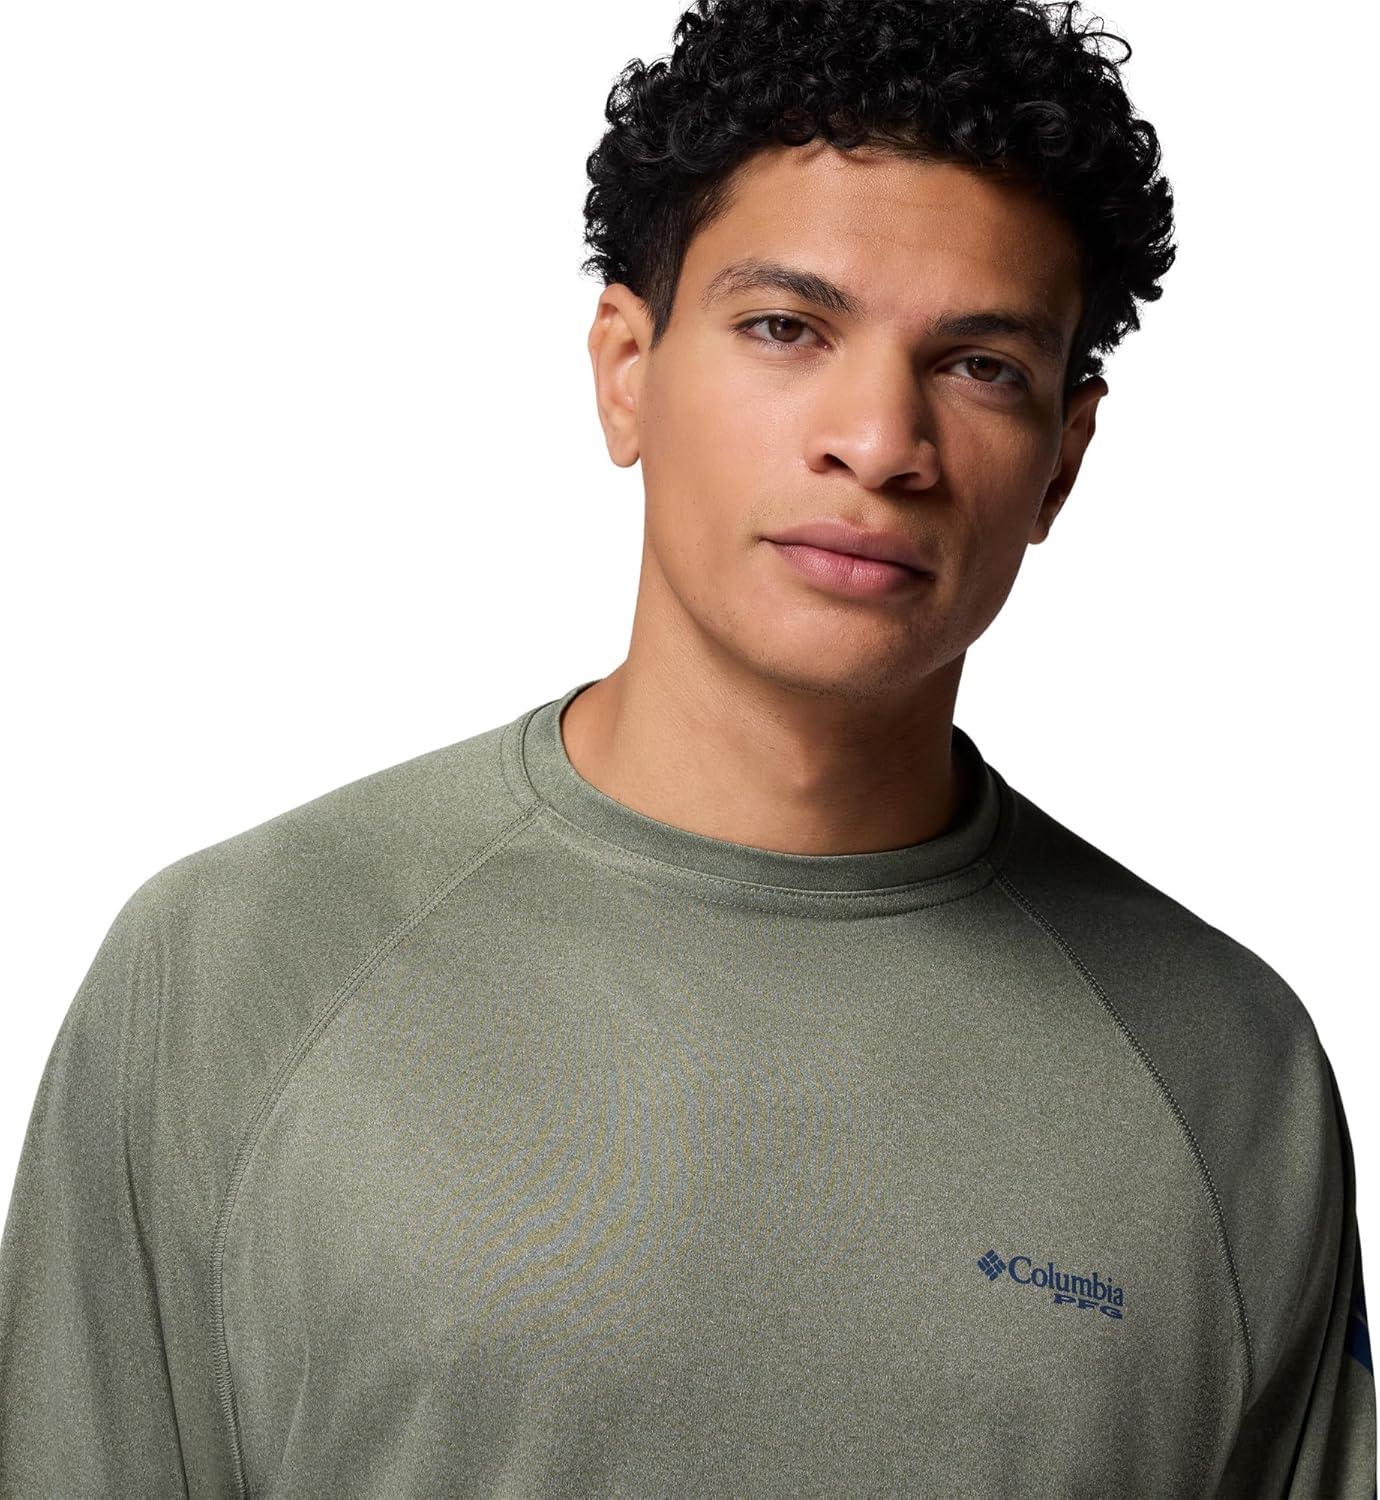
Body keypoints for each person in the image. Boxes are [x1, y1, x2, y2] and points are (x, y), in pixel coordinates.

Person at [1, 0, 1374, 1493]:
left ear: (1064, 459)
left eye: (980, 364)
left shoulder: (1227, 1072)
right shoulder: (235, 970)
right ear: (625, 369)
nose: (878, 440)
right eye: (787, 328)